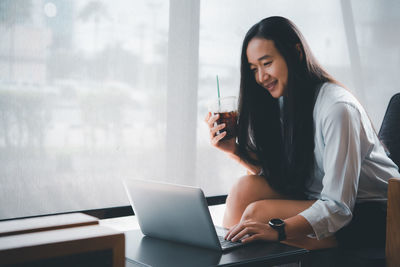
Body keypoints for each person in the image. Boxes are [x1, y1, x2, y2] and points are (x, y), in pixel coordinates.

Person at [205, 16, 399, 250]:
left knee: (257, 214)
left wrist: (276, 230)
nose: (260, 77)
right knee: (242, 190)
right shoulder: (284, 102)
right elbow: (288, 176)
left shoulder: (337, 109)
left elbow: (339, 206)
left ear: (296, 53)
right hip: (318, 198)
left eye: (267, 63)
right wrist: (234, 150)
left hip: (373, 214)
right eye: (254, 69)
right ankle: (228, 257)